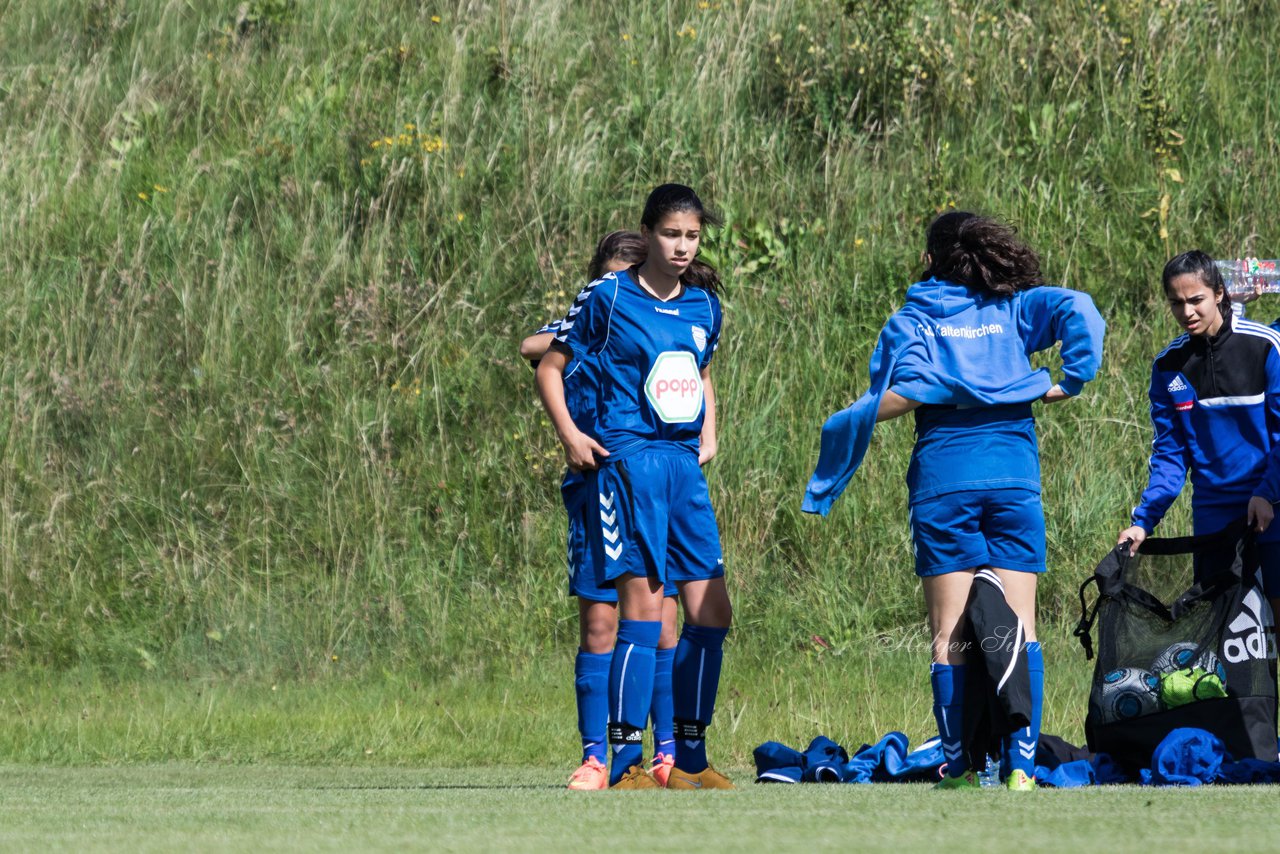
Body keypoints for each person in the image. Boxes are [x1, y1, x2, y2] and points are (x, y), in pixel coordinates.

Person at [804, 211, 1105, 791]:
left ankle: (963, 768)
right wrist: (1074, 377)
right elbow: (1081, 307)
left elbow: (899, 394)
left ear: (929, 260)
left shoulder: (915, 318)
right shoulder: (1013, 309)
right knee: (1020, 625)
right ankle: (1019, 768)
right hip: (1014, 480)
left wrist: (849, 420)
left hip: (945, 483)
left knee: (951, 634)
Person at [536, 184, 733, 789]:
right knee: (641, 614)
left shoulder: (704, 306)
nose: (681, 246)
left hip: (682, 468)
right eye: (671, 234)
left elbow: (699, 371)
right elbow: (548, 362)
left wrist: (710, 430)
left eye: (692, 236)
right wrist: (570, 434)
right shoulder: (609, 296)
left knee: (712, 611)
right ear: (648, 232)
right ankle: (617, 762)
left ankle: (688, 758)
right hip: (629, 462)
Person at [521, 231, 681, 790]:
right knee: (601, 622)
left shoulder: (658, 327)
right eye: (615, 280)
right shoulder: (589, 319)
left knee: (662, 624)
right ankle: (597, 757)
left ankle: (665, 755)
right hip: (594, 490)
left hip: (651, 487)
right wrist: (592, 329)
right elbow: (531, 347)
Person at [1118, 250, 1280, 650]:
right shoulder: (1168, 366)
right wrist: (1144, 521)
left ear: (1220, 294)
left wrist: (1267, 492)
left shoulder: (1264, 346)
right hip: (1214, 520)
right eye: (1177, 302)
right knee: (1231, 642)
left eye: (1196, 300)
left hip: (1272, 509)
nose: (1186, 311)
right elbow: (1170, 456)